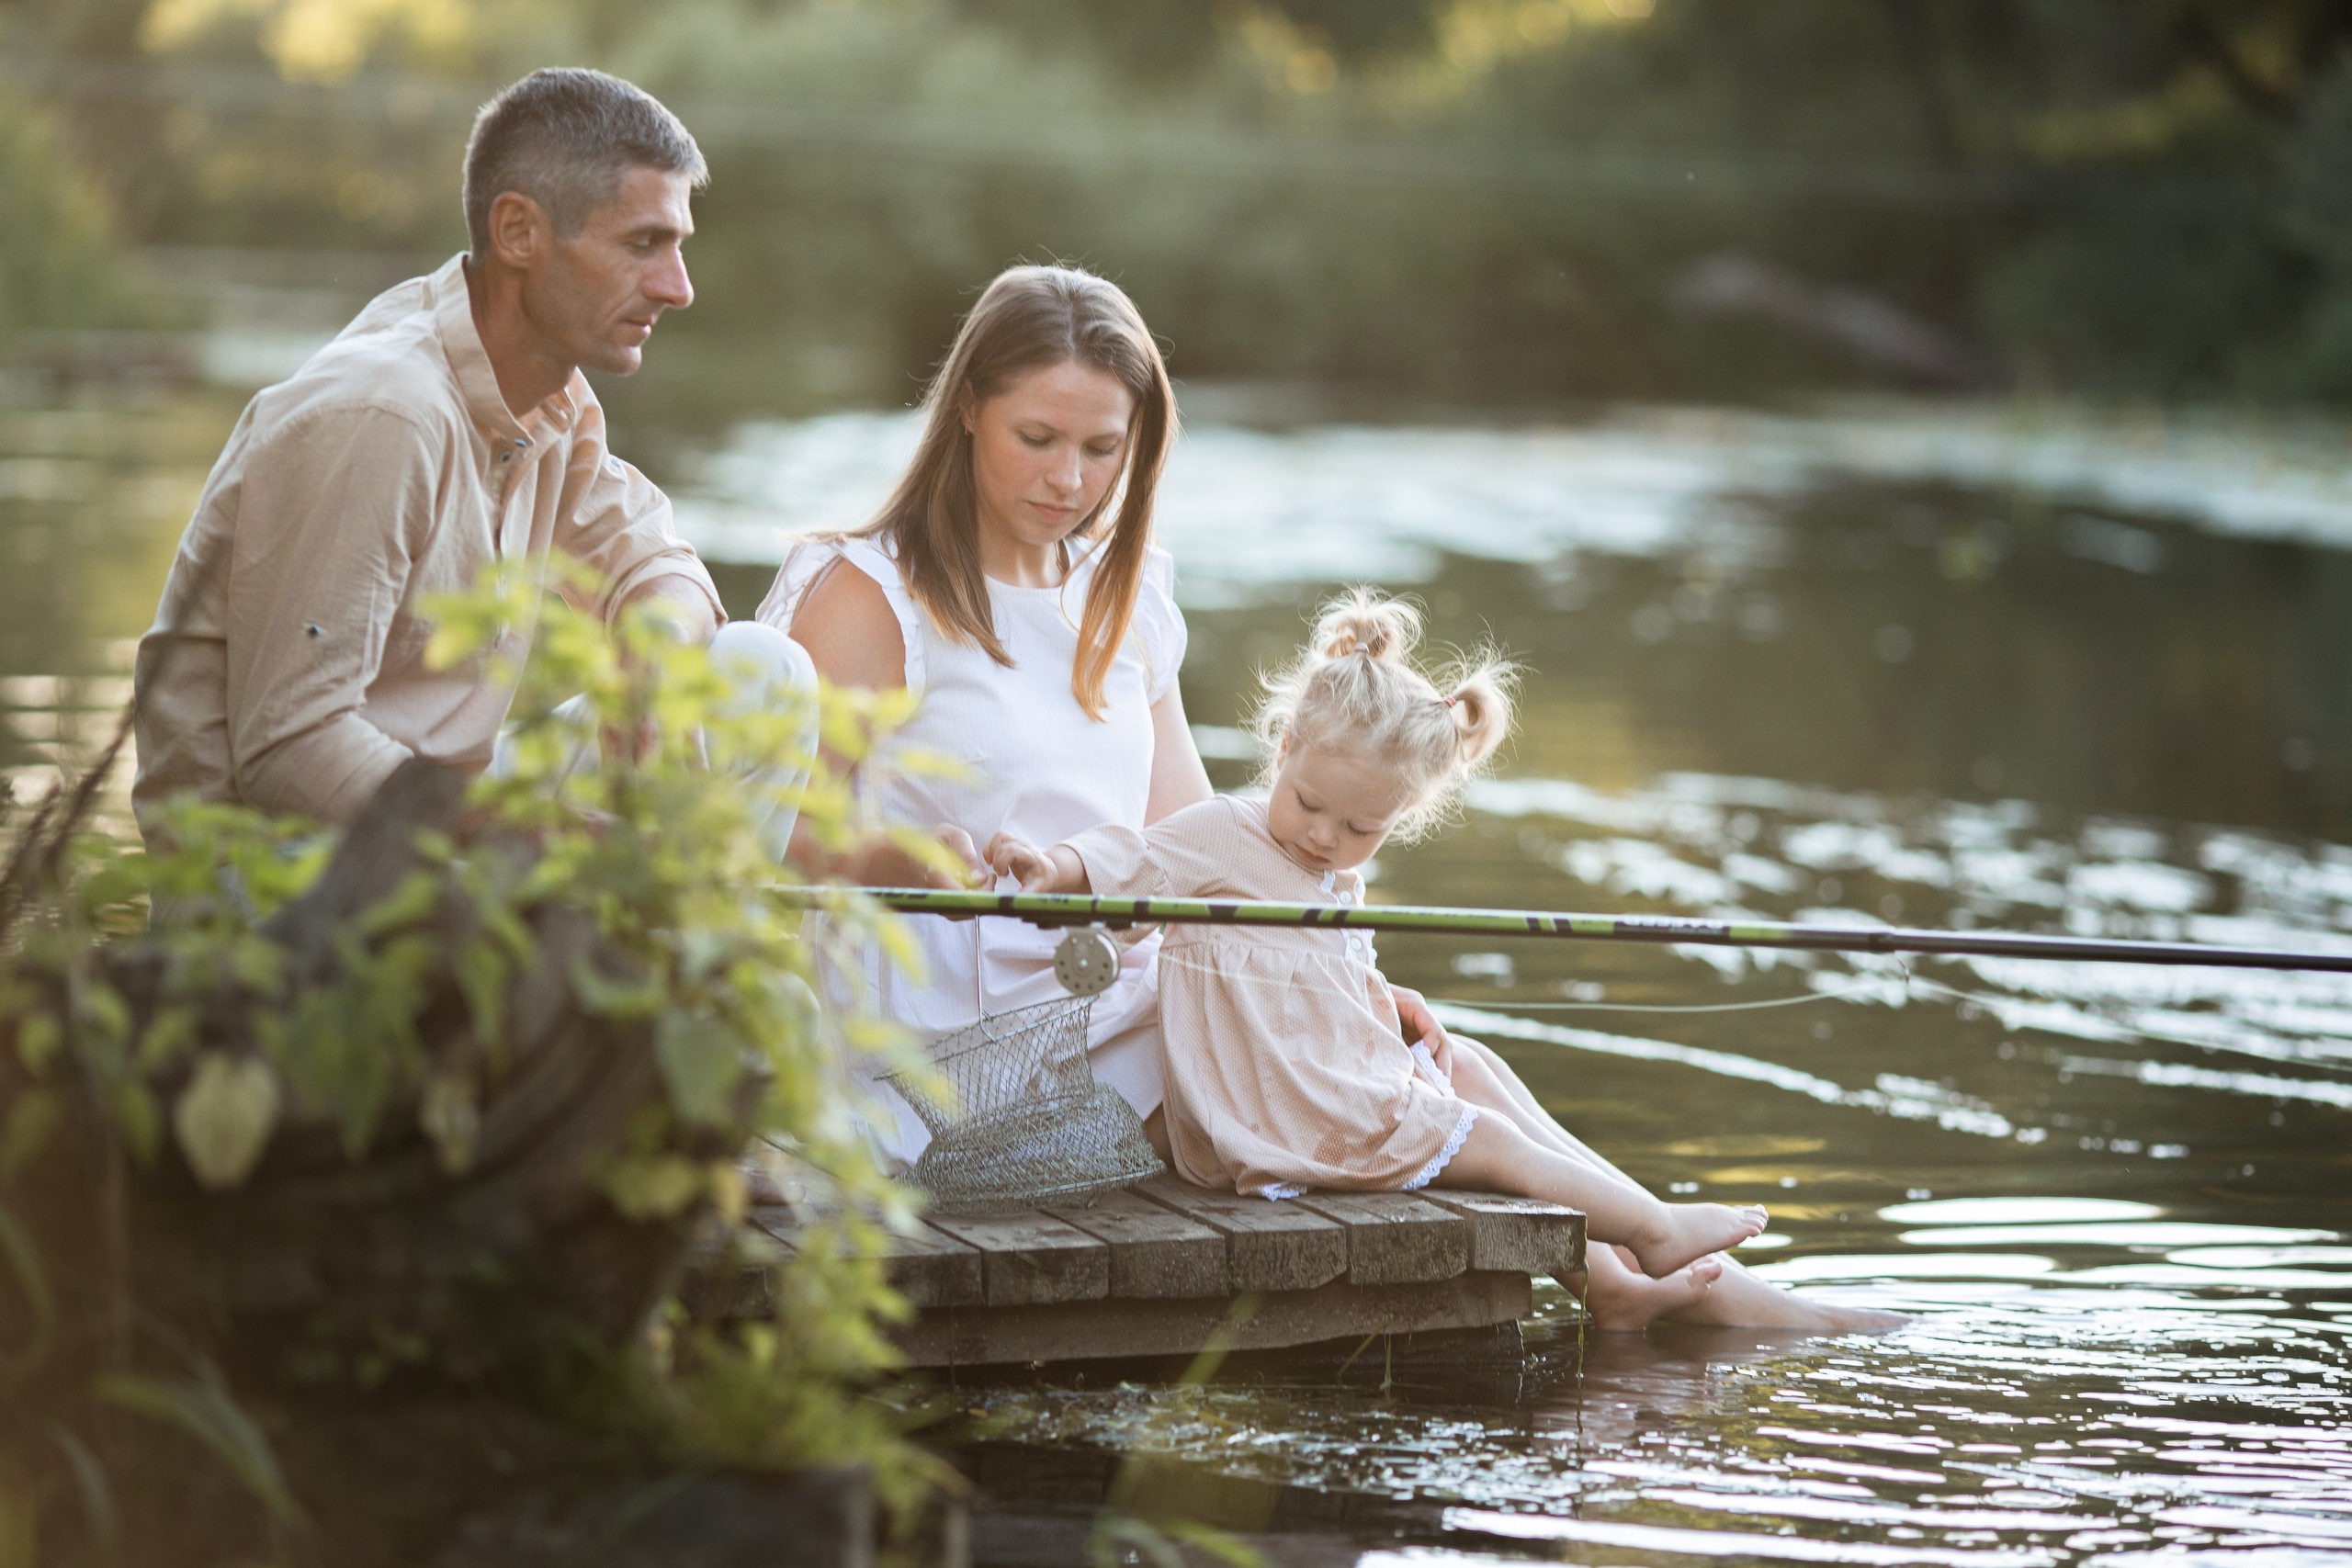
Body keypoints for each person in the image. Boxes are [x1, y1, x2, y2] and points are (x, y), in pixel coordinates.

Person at [988, 589, 1905, 1334]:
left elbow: (1314, 975)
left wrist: (1380, 998)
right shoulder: (1222, 836)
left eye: (1360, 828)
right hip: (1274, 1120)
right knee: (1492, 1143)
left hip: (1320, 1086)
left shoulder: (1334, 877)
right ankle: (1656, 1230)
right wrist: (1049, 868)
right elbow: (1117, 865)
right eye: (1309, 805)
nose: (1322, 837)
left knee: (1469, 1063)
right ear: (1282, 748)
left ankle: (1613, 1279)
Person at [132, 67, 811, 851]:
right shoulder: (385, 410)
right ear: (518, 233)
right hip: (280, 880)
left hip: (440, 828)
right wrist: (531, 833)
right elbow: (289, 751)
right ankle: (652, 950)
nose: (679, 287)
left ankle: (681, 952)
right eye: (643, 244)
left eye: (677, 247)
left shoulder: (547, 397)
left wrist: (650, 658)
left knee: (764, 675)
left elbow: (655, 557)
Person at [756, 264, 1209, 1171]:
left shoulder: (1127, 592)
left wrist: (1334, 977)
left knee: (1411, 1058)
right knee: (1362, 1087)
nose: (1067, 480)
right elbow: (778, 839)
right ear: (966, 407)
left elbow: (1196, 841)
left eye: (1100, 449)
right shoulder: (870, 596)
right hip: (943, 1050)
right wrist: (895, 858)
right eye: (1036, 437)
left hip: (1112, 1011)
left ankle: (1590, 1258)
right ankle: (1591, 1264)